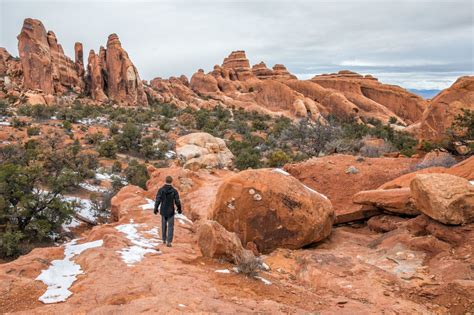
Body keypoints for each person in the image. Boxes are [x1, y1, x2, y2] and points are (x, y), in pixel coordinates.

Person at [153, 176, 182, 247]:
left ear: (165, 181)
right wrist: (179, 209)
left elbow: (158, 200)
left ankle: (163, 239)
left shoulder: (161, 190)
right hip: (171, 210)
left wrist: (156, 208)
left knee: (163, 225)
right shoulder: (174, 191)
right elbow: (177, 201)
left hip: (163, 210)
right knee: (170, 226)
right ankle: (169, 242)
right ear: (171, 181)